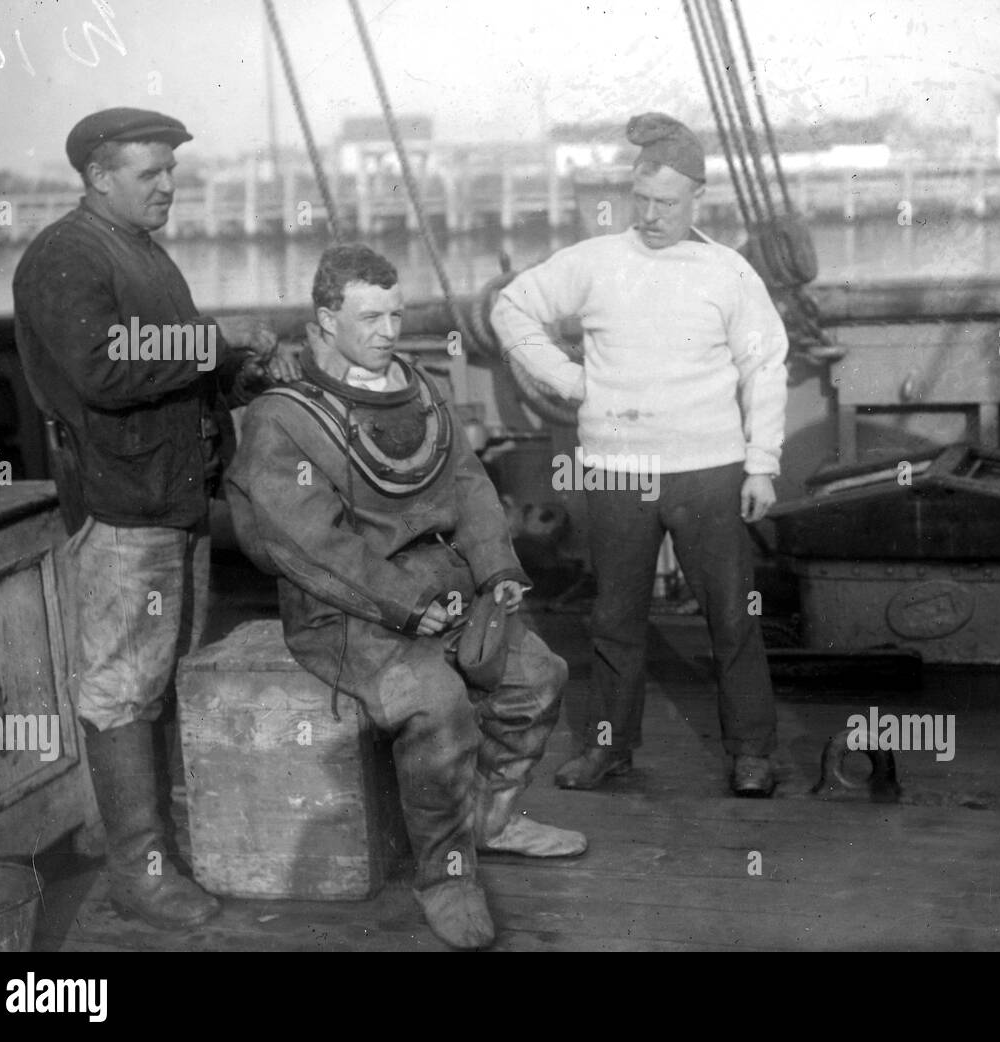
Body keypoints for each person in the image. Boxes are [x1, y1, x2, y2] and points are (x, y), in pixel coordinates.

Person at [225, 243, 587, 951]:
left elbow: (471, 486)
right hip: (342, 611)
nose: (389, 329)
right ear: (326, 319)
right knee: (438, 704)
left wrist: (496, 568)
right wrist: (403, 603)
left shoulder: (420, 390)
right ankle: (447, 875)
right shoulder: (284, 419)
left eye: (395, 312)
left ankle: (491, 819)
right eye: (370, 316)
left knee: (539, 677)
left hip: (444, 594)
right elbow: (306, 543)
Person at [12, 107, 292, 930]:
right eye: (150, 173)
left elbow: (165, 368)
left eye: (172, 171)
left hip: (170, 499)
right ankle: (140, 871)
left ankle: (151, 843)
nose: (168, 186)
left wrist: (237, 370)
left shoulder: (140, 252)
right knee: (122, 689)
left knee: (161, 678)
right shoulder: (67, 254)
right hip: (121, 506)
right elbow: (103, 368)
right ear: (99, 177)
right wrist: (214, 340)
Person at [491, 112, 789, 798]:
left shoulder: (728, 271)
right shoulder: (595, 263)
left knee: (732, 618)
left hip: (710, 472)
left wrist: (763, 463)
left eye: (669, 204)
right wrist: (568, 380)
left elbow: (764, 366)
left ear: (698, 200)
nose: (653, 217)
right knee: (614, 621)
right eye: (643, 202)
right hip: (619, 474)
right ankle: (611, 749)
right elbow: (513, 308)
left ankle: (751, 753)